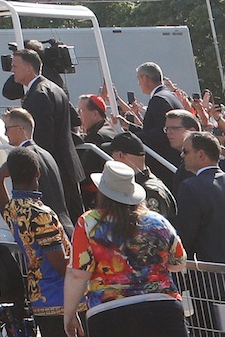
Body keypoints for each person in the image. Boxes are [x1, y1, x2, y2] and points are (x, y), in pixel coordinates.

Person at [64, 162, 187, 337]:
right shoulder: (158, 222)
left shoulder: (88, 223)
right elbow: (178, 263)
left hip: (109, 313)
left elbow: (78, 274)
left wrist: (69, 314)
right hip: (163, 308)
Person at [0, 147, 69, 337]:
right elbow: (60, 265)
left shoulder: (15, 208)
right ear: (37, 173)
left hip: (39, 298)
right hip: (61, 299)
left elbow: (3, 208)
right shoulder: (41, 215)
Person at [12, 42, 84, 222]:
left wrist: (39, 169)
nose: (12, 69)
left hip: (54, 169)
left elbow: (43, 139)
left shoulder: (39, 95)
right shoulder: (54, 88)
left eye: (15, 66)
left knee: (61, 223)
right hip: (66, 165)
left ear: (29, 69)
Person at [174, 131, 225, 263]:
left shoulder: (191, 187)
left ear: (201, 154)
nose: (182, 155)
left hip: (209, 274)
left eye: (185, 151)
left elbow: (186, 235)